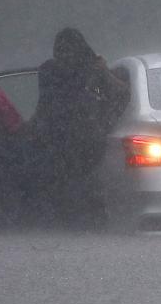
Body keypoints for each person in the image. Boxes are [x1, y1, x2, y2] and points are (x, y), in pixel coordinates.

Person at [26, 28, 130, 227]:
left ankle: (75, 223)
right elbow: (121, 94)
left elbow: (121, 94)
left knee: (72, 186)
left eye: (67, 50)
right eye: (62, 50)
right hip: (71, 140)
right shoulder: (70, 69)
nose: (65, 55)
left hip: (71, 141)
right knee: (77, 186)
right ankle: (83, 222)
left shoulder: (58, 69)